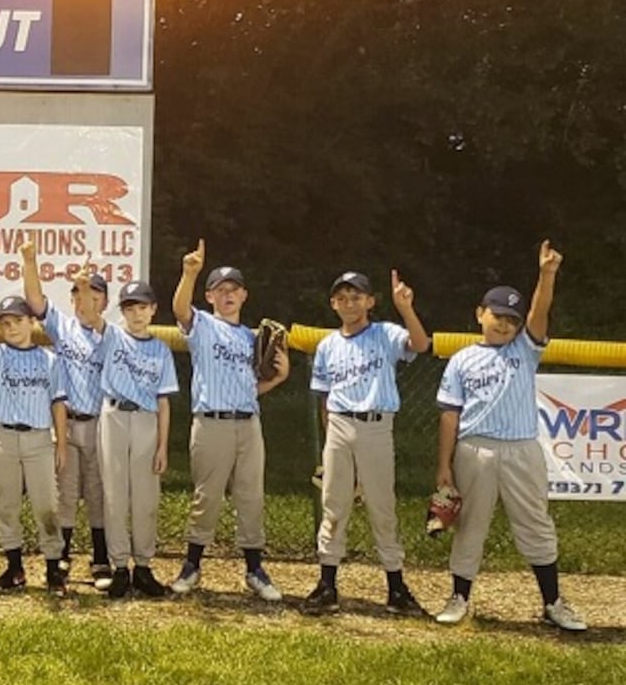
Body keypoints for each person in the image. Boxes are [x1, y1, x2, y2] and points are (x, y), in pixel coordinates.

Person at [433, 242, 585, 632]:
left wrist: (546, 274)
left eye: (511, 320)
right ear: (479, 314)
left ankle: (552, 602)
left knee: (535, 523)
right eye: (497, 315)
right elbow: (450, 416)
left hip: (521, 448)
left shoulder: (525, 349)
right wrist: (444, 468)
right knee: (470, 525)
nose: (504, 324)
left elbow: (539, 312)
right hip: (475, 448)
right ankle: (459, 597)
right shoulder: (462, 359)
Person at [169, 243, 290, 603]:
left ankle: (254, 569)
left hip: (248, 422)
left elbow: (249, 388)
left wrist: (276, 380)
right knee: (207, 496)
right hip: (211, 422)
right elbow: (179, 308)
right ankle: (191, 566)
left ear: (244, 295)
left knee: (251, 496)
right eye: (220, 290)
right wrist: (189, 273)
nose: (228, 295)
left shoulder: (252, 338)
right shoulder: (203, 325)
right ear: (209, 297)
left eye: (233, 289)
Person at [305, 269, 430, 616]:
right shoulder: (328, 345)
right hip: (340, 426)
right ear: (333, 304)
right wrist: (329, 437)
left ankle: (396, 586)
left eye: (356, 296)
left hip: (376, 425)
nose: (349, 303)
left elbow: (420, 346)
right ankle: (327, 584)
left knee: (381, 506)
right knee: (334, 506)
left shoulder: (386, 333)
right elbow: (324, 399)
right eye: (342, 297)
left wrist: (406, 308)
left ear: (370, 301)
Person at [0, 288, 66, 593]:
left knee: (46, 505)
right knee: (7, 504)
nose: (11, 328)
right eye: (5, 323)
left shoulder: (50, 359)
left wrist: (62, 444)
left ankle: (53, 567)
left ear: (32, 321)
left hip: (39, 438)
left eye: (17, 320)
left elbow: (58, 403)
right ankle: (14, 567)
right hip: (4, 435)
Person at [21, 244, 112, 588]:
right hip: (69, 422)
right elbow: (35, 300)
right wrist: (30, 261)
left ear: (103, 300)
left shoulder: (110, 333)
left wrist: (86, 285)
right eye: (76, 292)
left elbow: (95, 318)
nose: (83, 299)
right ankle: (62, 555)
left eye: (91, 293)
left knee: (99, 492)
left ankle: (101, 557)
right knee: (67, 491)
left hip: (101, 424)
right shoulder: (63, 326)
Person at [97, 279, 178, 600]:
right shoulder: (112, 336)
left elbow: (163, 402)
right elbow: (91, 315)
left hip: (146, 419)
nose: (137, 314)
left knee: (145, 498)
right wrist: (85, 282)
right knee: (114, 495)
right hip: (114, 414)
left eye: (142, 307)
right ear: (122, 312)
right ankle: (119, 567)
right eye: (130, 308)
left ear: (153, 310)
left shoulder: (160, 348)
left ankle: (142, 566)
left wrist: (162, 446)